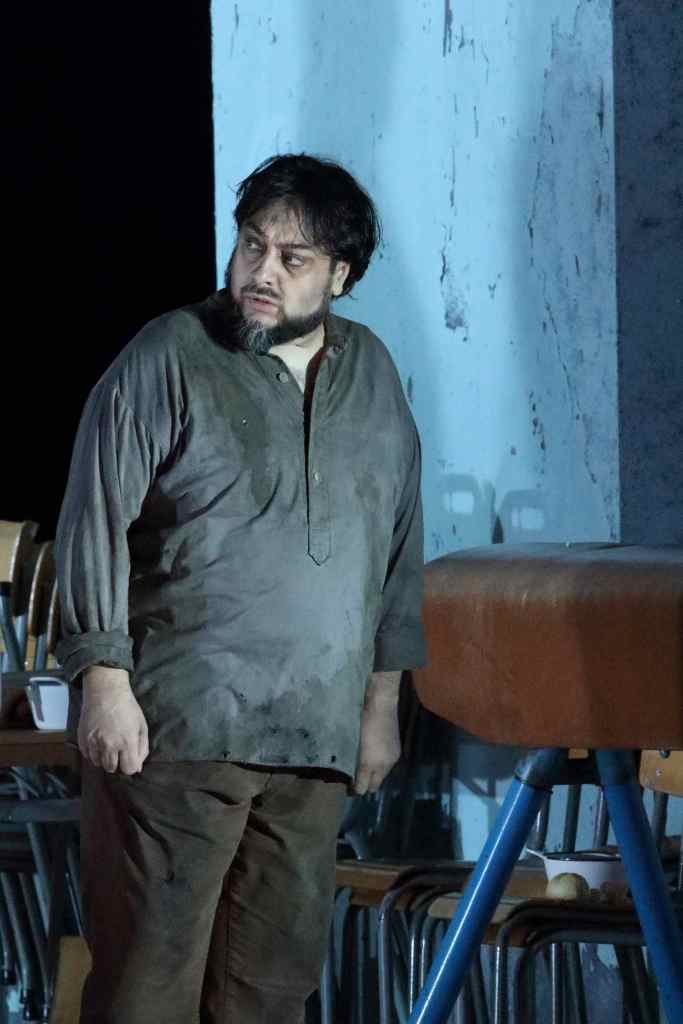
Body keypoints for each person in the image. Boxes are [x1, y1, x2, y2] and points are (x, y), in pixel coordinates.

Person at [56, 153, 426, 1024]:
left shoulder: (370, 373)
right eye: (252, 244)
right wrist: (103, 678)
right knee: (149, 987)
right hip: (178, 731)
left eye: (293, 258)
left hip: (312, 737)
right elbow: (94, 517)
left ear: (341, 275)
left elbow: (398, 545)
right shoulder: (172, 353)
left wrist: (380, 705)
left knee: (270, 991)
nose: (262, 271)